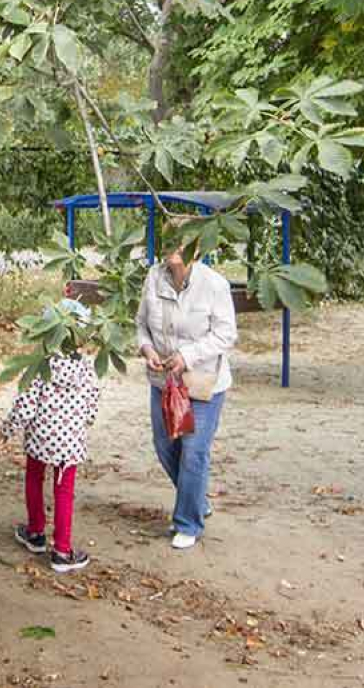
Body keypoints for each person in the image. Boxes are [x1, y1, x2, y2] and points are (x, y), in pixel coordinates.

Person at [136, 231, 238, 550]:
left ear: (196, 248)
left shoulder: (215, 284)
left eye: (179, 244)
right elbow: (140, 324)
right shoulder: (153, 277)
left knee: (194, 451)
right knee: (165, 445)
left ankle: (188, 522)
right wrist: (146, 349)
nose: (171, 249)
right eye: (167, 242)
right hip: (164, 381)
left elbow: (226, 335)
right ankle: (196, 498)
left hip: (203, 382)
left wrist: (187, 356)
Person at [0, 300, 101, 573]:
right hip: (70, 443)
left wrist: (6, 430)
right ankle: (62, 550)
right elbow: (93, 403)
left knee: (34, 478)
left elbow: (25, 405)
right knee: (64, 490)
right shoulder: (87, 368)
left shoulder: (39, 367)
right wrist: (84, 423)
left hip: (39, 439)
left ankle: (35, 532)